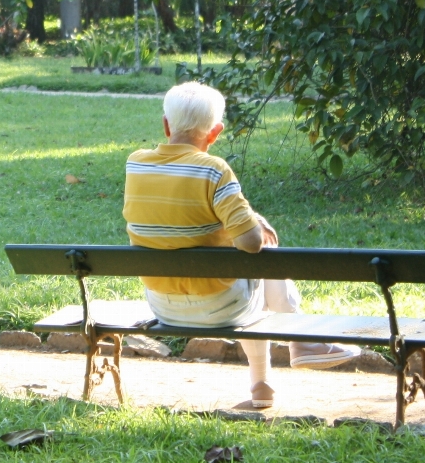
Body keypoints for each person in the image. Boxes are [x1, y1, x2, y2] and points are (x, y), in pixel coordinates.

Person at [122, 81, 360, 408]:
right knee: (263, 260)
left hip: (162, 305)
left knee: (250, 280)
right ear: (215, 132)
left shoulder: (136, 163)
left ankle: (267, 382)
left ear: (166, 125)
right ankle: (298, 346)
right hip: (221, 307)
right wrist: (255, 223)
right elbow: (250, 244)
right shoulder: (214, 169)